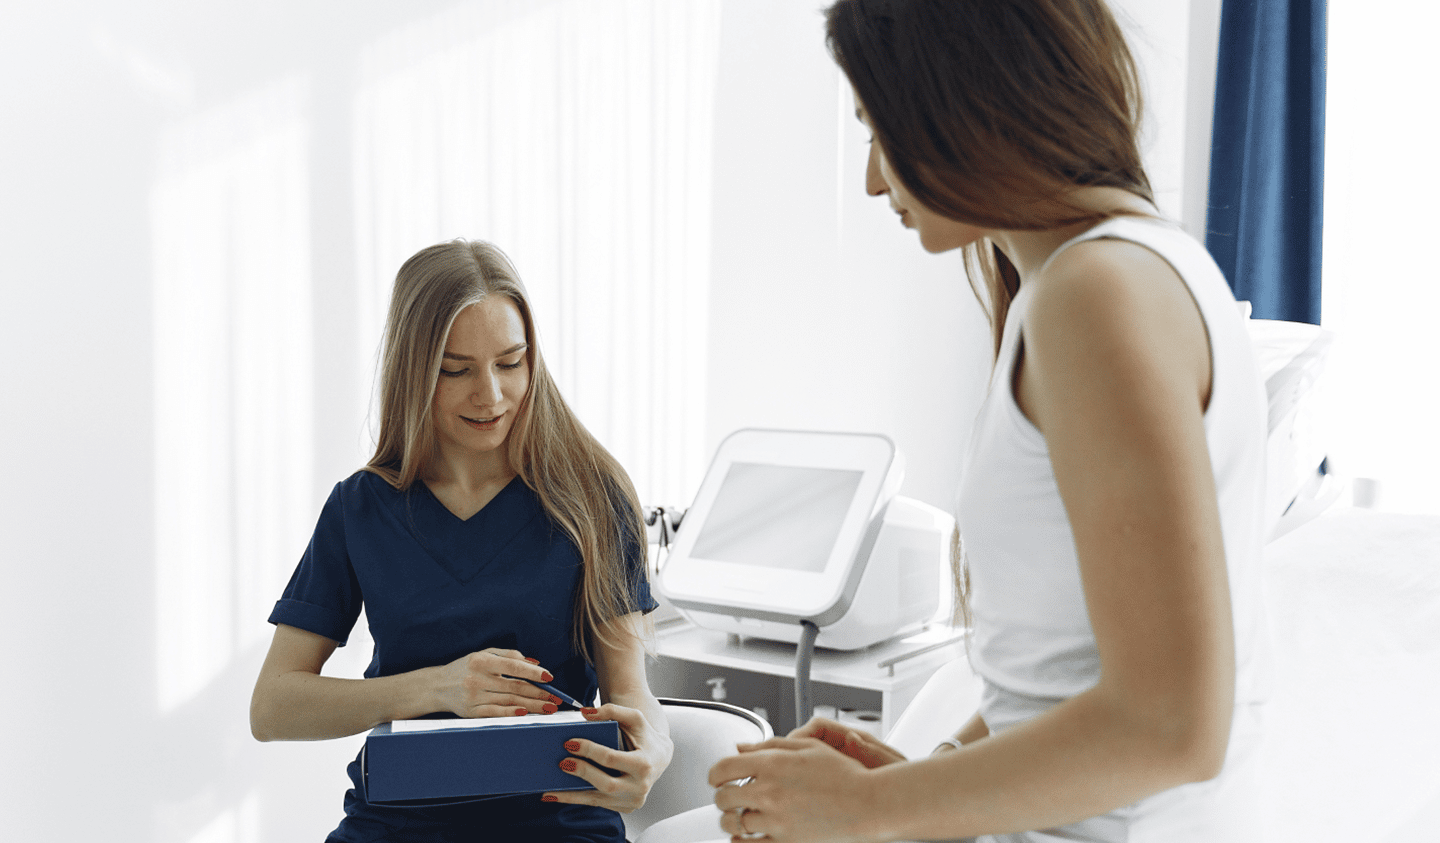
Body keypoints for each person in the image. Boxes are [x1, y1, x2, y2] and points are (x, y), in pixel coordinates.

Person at [703, 1, 1272, 841]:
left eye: (878, 130)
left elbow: (1171, 726)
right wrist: (924, 777)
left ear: (962, 97)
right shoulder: (1120, 274)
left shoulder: (1097, 295)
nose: (873, 179)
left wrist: (869, 808)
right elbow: (1064, 674)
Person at [250, 240, 672, 842]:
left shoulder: (592, 497)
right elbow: (272, 708)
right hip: (394, 827)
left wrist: (653, 751)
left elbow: (631, 693)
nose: (491, 395)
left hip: (557, 824)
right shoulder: (361, 508)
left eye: (511, 363)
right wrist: (438, 686)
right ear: (414, 370)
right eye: (456, 370)